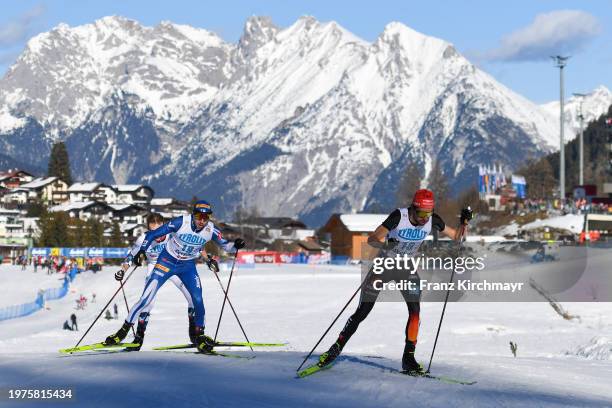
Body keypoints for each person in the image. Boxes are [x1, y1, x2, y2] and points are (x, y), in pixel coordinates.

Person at [317, 189, 472, 374]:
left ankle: (409, 358)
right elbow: (373, 238)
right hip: (385, 265)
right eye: (422, 213)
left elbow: (458, 238)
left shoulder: (432, 219)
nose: (425, 218)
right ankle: (335, 349)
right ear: (414, 208)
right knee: (363, 311)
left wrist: (465, 222)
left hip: (406, 268)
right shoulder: (399, 216)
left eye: (428, 214)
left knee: (415, 312)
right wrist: (385, 244)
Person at [104, 200, 245, 353]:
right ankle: (123, 333)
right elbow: (151, 236)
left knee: (197, 299)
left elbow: (223, 246)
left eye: (206, 217)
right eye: (198, 217)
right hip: (165, 263)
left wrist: (235, 245)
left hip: (187, 267)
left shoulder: (211, 230)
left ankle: (198, 335)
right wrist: (140, 253)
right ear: (193, 215)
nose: (202, 221)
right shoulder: (180, 223)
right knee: (146, 300)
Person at [105, 213, 200, 350]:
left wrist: (207, 258)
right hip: (154, 267)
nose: (157, 233)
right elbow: (131, 256)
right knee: (147, 302)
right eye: (152, 228)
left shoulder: (172, 234)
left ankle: (194, 334)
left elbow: (193, 244)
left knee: (192, 297)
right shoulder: (143, 238)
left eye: (159, 228)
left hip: (172, 265)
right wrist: (122, 271)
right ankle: (138, 338)